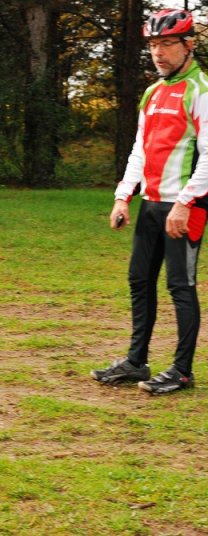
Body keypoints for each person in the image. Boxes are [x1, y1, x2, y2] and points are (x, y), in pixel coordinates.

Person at [92, 8, 208, 394]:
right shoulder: (153, 92)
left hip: (184, 208)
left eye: (167, 43)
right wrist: (123, 196)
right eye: (154, 44)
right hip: (151, 203)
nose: (158, 52)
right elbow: (140, 149)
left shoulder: (200, 91)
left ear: (188, 45)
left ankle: (181, 371)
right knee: (139, 280)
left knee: (180, 285)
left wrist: (184, 203)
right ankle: (136, 361)